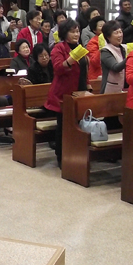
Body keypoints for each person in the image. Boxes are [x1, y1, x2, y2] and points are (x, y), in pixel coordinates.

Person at [44, 19, 89, 165]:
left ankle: (75, 154)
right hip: (63, 93)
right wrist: (71, 59)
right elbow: (58, 69)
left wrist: (87, 85)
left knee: (78, 125)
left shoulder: (79, 47)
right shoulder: (58, 48)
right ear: (65, 33)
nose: (76, 34)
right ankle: (61, 156)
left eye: (78, 31)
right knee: (63, 126)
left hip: (79, 91)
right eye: (72, 32)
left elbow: (83, 69)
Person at [99, 21, 128, 94]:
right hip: (110, 90)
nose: (119, 35)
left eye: (120, 32)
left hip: (124, 88)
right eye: (116, 33)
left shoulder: (124, 48)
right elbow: (115, 68)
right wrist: (130, 57)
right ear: (108, 37)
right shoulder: (105, 51)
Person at [84, 15, 105, 81]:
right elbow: (95, 62)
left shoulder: (111, 39)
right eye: (101, 26)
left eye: (105, 25)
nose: (104, 28)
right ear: (94, 30)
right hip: (97, 77)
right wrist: (101, 48)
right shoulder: (92, 42)